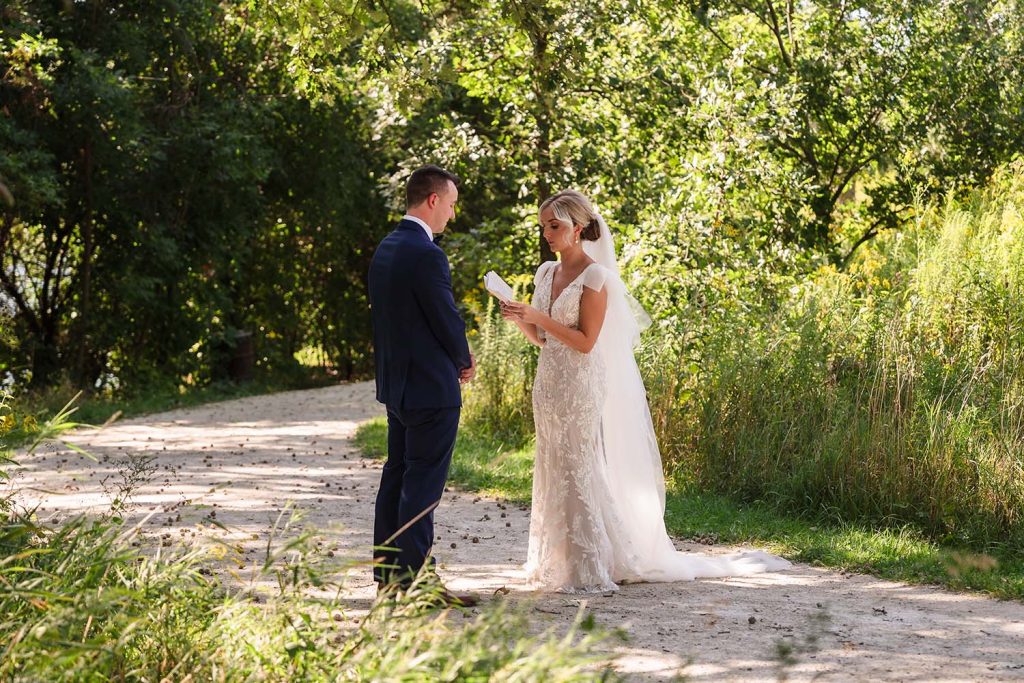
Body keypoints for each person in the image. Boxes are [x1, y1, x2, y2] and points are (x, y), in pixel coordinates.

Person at [501, 190, 790, 593]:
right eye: (544, 226)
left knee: (578, 464)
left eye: (555, 226)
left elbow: (585, 342)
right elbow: (542, 340)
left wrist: (537, 317)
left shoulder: (596, 277)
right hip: (548, 382)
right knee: (553, 464)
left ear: (579, 228)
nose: (547, 234)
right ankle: (556, 560)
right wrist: (519, 317)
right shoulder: (546, 273)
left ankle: (589, 564)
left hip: (581, 384)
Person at [368, 164, 480, 606]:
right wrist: (463, 357)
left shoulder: (387, 247)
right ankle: (419, 585)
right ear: (433, 200)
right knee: (422, 489)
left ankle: (391, 577)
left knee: (396, 478)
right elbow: (444, 314)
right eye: (450, 205)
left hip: (397, 388)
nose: (451, 215)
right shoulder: (427, 253)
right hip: (432, 389)